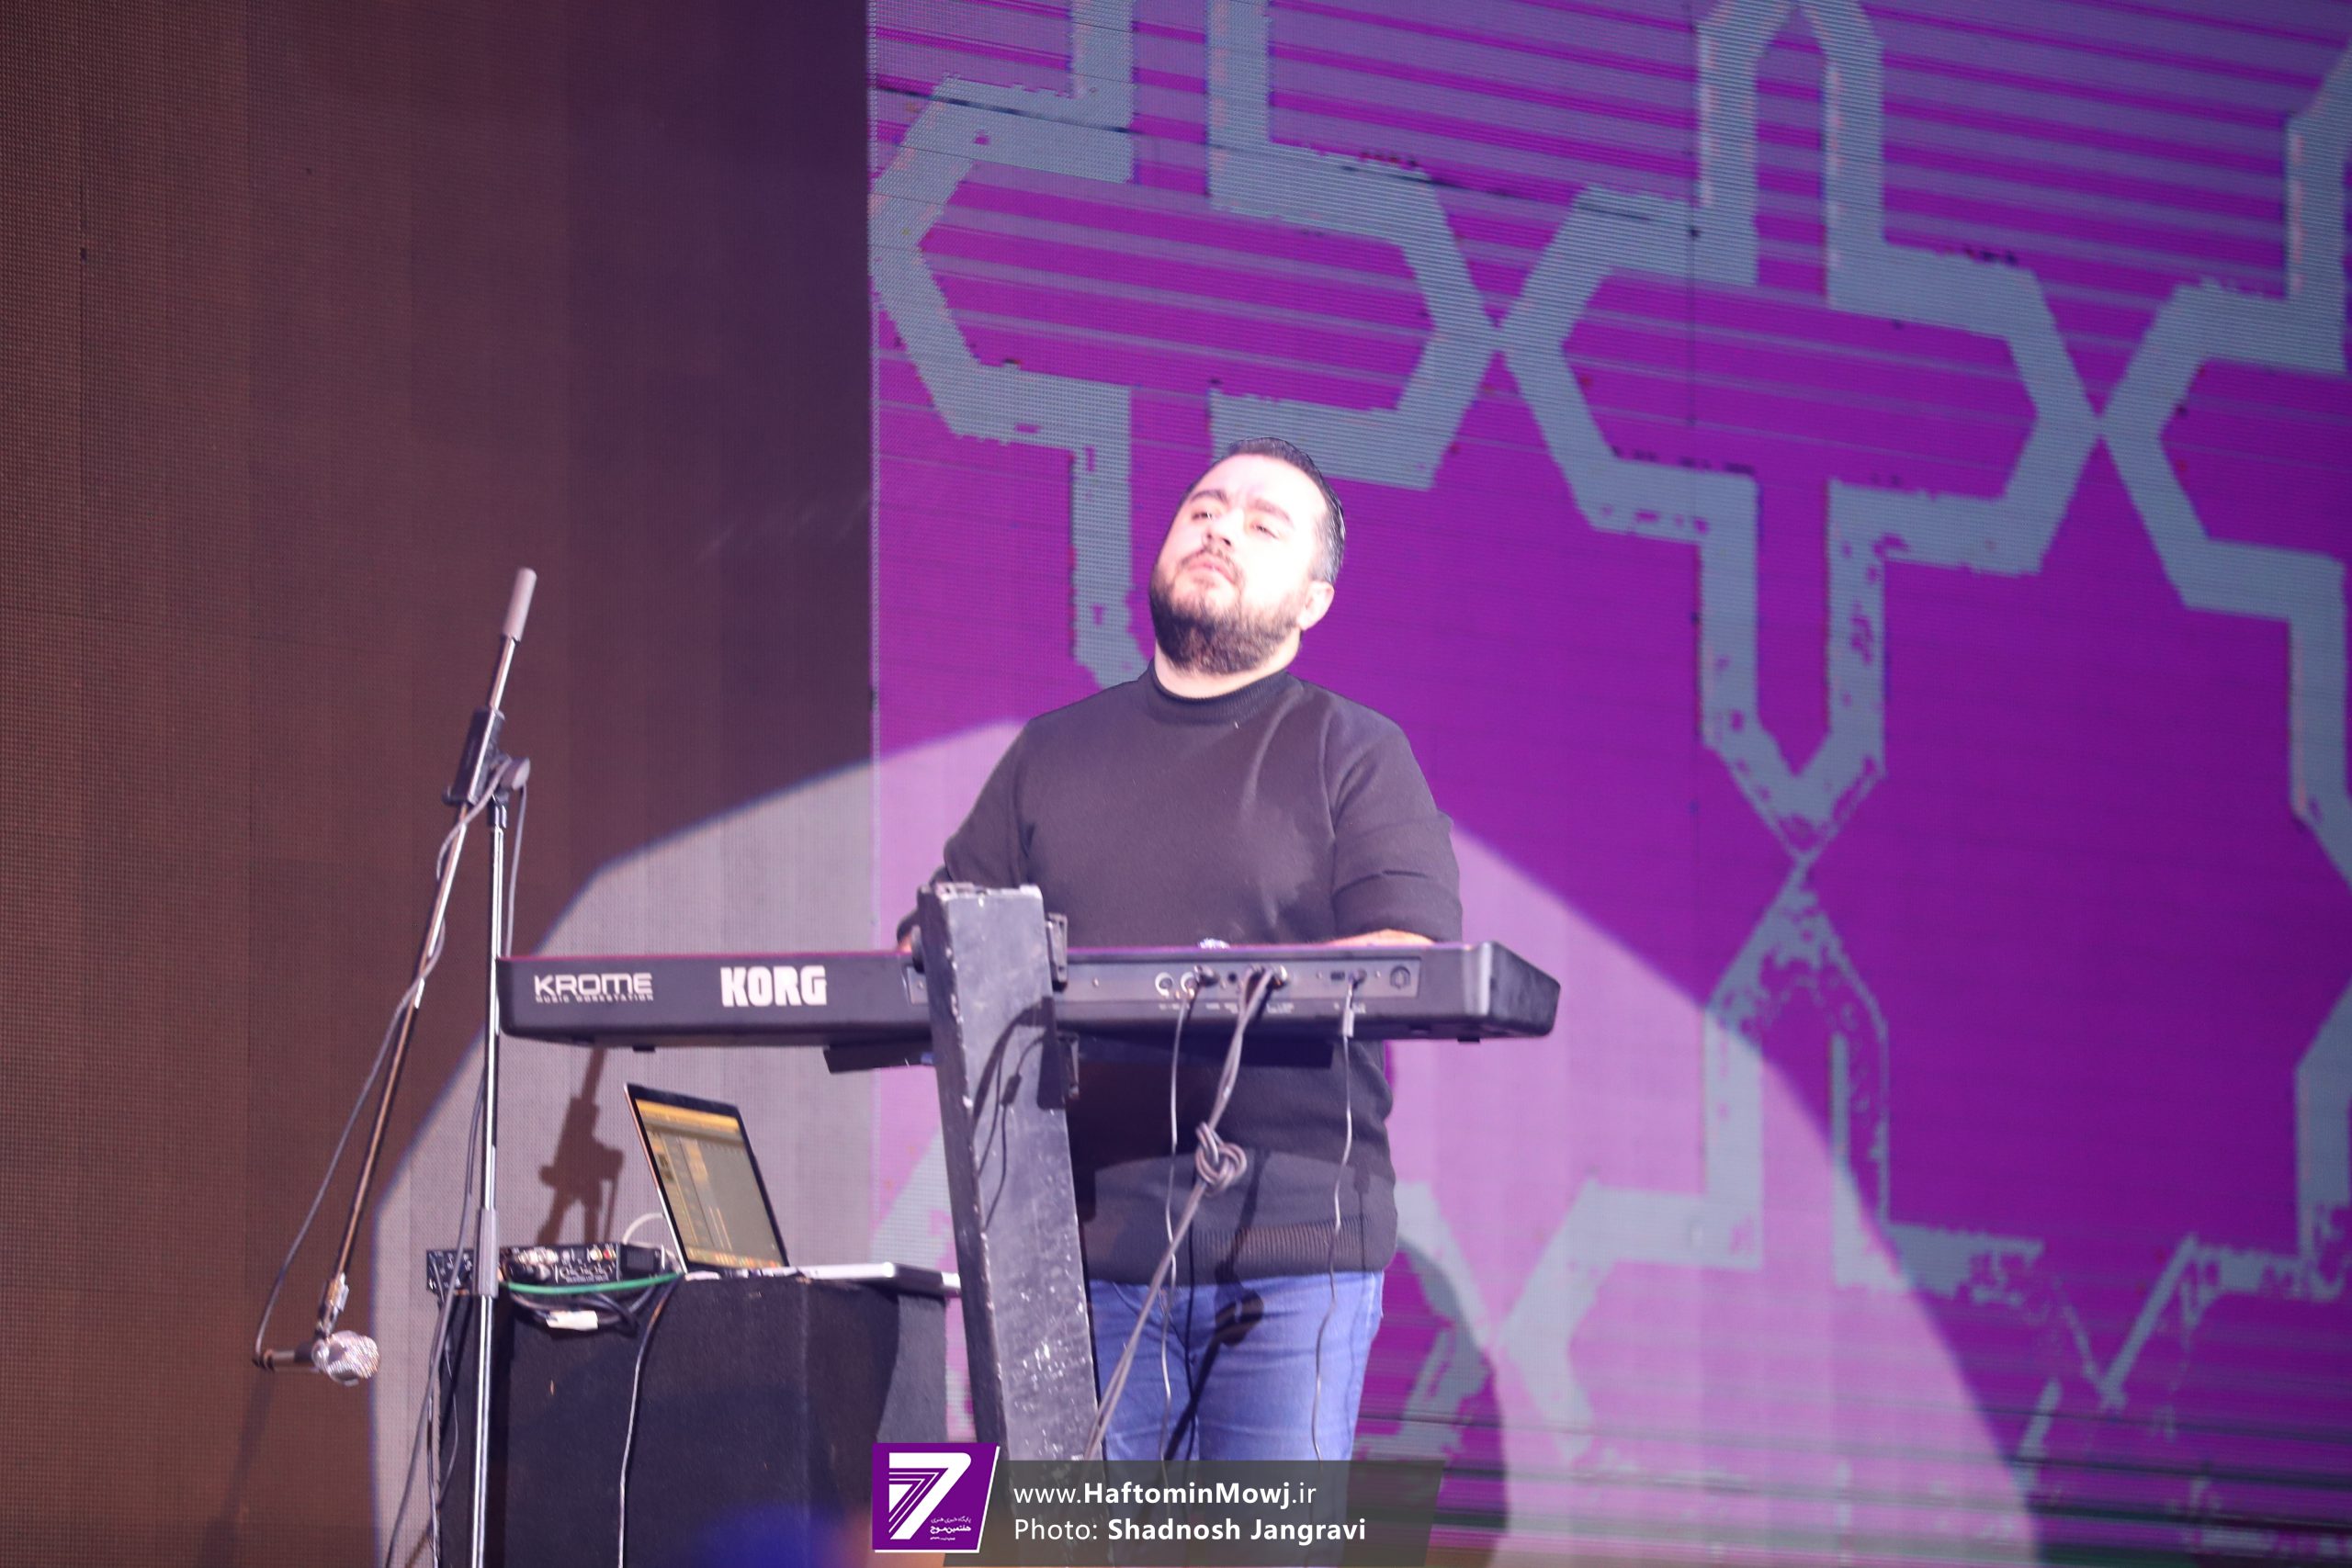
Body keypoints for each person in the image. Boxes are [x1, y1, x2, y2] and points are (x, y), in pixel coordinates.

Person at [904, 436, 1462, 1461]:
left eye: (1262, 524)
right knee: (1059, 1537)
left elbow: (1405, 950)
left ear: (1313, 601)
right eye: (1202, 509)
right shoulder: (1052, 752)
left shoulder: (1354, 749)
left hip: (1289, 1255)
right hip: (1072, 1256)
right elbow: (940, 937)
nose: (1219, 529)